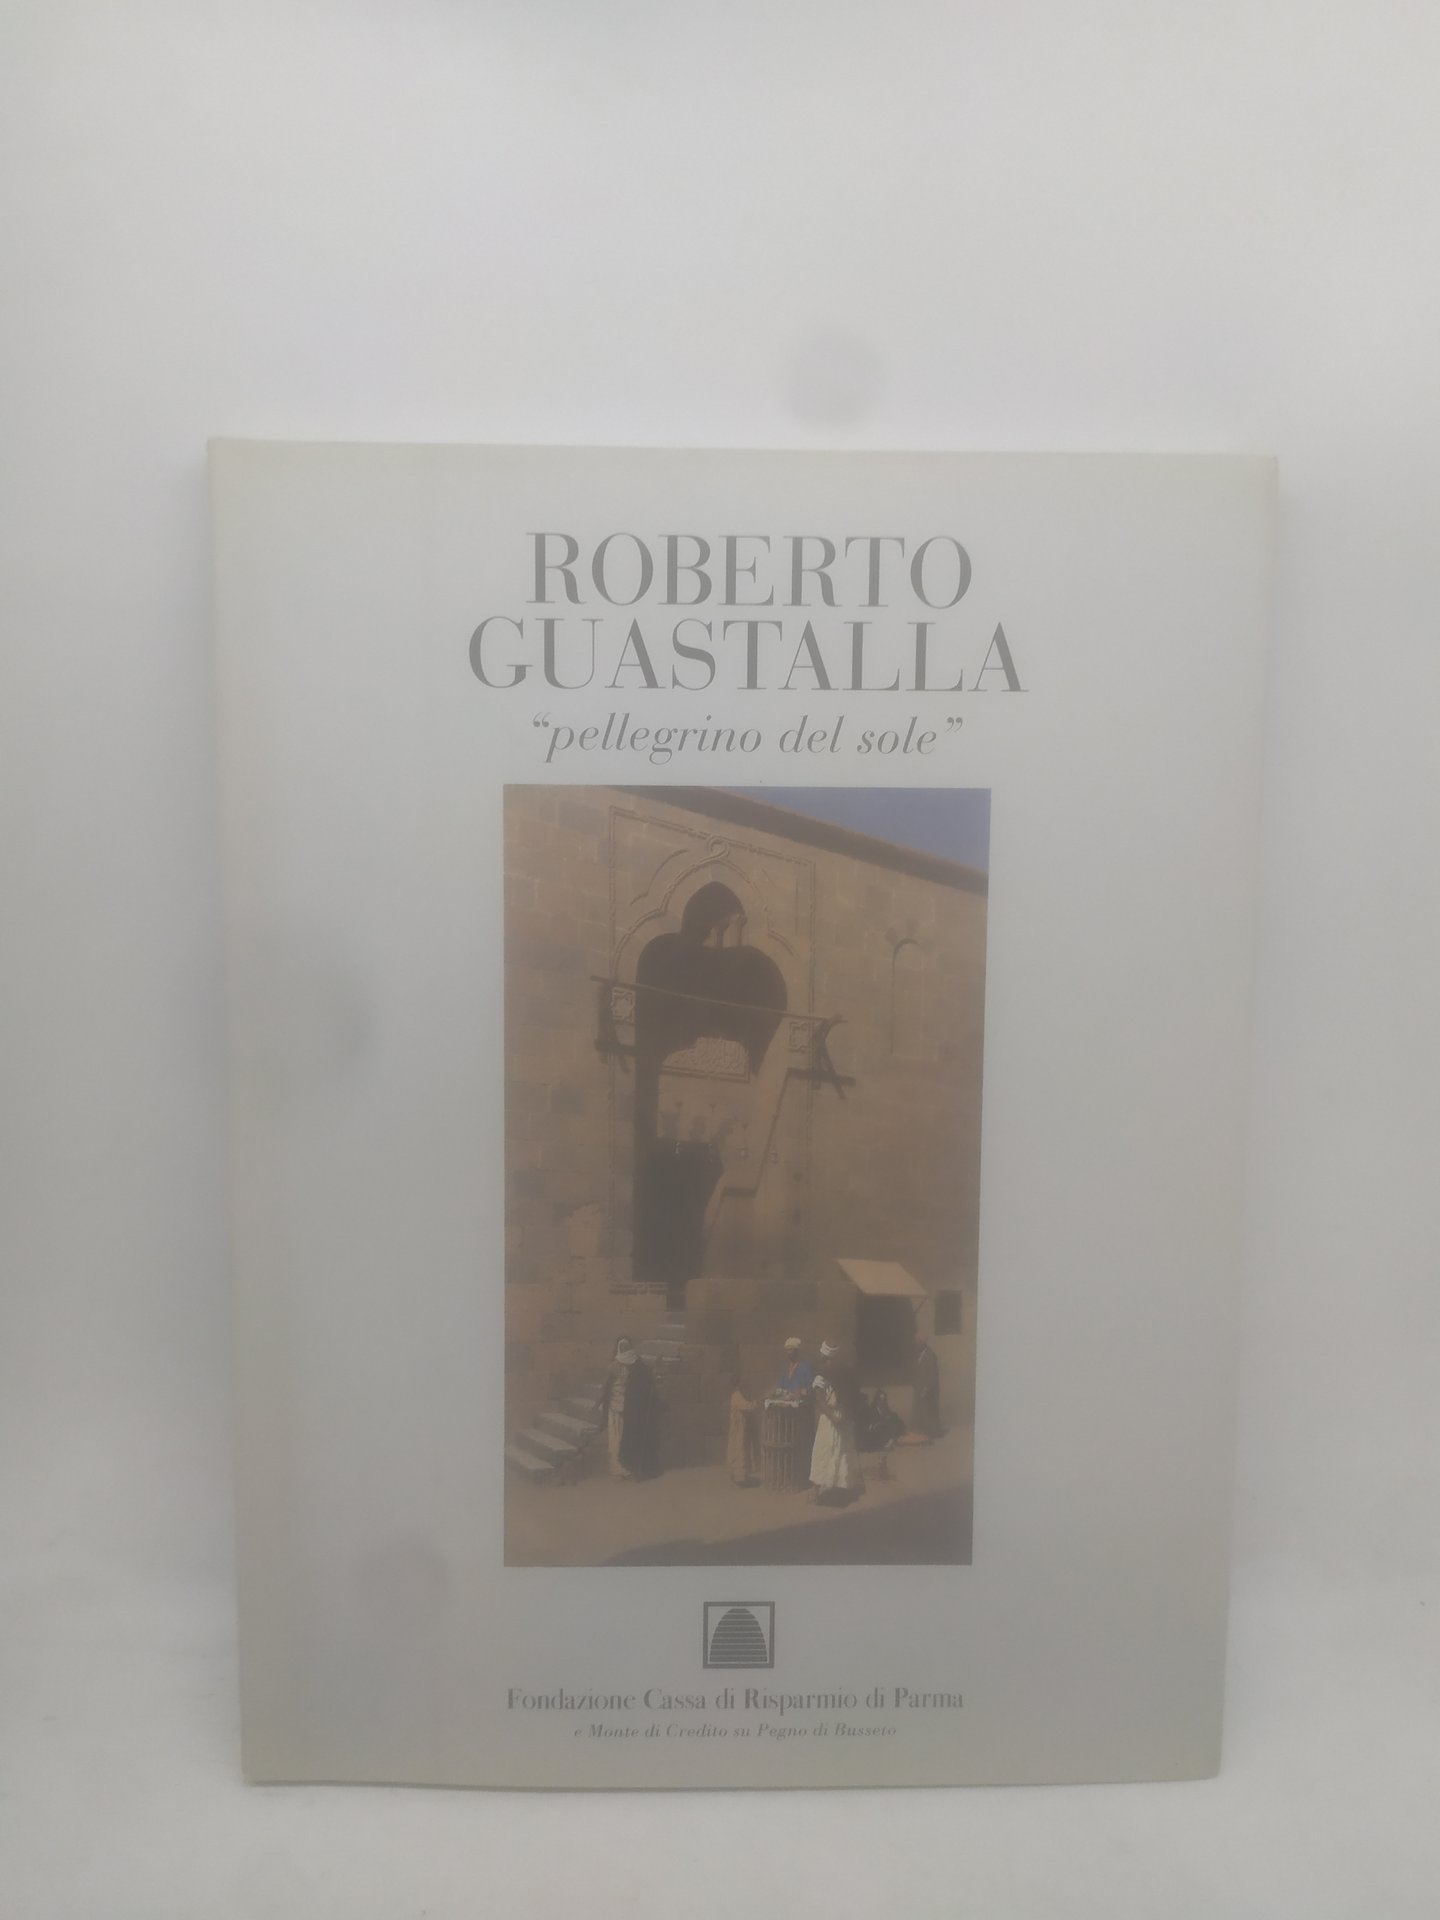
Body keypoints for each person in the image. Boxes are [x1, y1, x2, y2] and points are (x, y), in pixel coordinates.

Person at [809, 1341, 862, 1501]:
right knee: (825, 1450)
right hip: (830, 1417)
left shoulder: (840, 1374)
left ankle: (840, 1488)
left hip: (840, 1416)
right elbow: (820, 1400)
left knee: (842, 1450)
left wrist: (843, 1415)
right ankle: (816, 1490)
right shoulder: (821, 1376)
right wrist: (833, 1417)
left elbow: (847, 1395)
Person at [602, 1337, 662, 1479]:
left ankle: (621, 1468)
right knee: (619, 1438)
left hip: (624, 1408)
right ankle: (620, 1468)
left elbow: (607, 1387)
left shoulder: (619, 1365)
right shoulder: (632, 1363)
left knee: (619, 1438)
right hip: (625, 1407)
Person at [726, 1374, 759, 1486]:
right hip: (738, 1427)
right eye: (741, 1382)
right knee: (739, 1449)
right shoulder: (736, 1395)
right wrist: (755, 1404)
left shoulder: (738, 1394)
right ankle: (739, 1478)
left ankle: (740, 1476)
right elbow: (745, 1406)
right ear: (737, 1384)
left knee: (740, 1448)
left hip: (740, 1425)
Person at [911, 1334, 942, 1440]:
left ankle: (932, 1433)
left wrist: (926, 1389)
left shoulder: (930, 1355)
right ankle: (924, 1433)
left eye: (918, 1342)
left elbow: (933, 1374)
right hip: (919, 1388)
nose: (916, 1345)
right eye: (916, 1343)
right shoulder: (920, 1355)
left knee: (929, 1411)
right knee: (921, 1411)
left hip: (928, 1389)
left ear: (923, 1343)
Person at [773, 1336, 814, 1400]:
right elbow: (780, 1385)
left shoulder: (805, 1367)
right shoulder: (786, 1368)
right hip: (786, 1400)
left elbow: (810, 1388)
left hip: (801, 1402)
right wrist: (779, 1391)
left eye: (791, 1350)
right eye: (787, 1350)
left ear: (796, 1351)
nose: (789, 1353)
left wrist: (800, 1392)